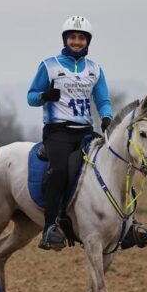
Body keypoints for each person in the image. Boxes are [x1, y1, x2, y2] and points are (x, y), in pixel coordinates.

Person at [27, 15, 113, 250]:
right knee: (60, 171)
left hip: (85, 131)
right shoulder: (49, 65)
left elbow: (103, 100)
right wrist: (44, 96)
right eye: (73, 37)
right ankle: (50, 228)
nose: (76, 42)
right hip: (58, 132)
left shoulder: (95, 69)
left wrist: (107, 116)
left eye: (81, 38)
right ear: (65, 39)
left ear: (87, 41)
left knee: (111, 166)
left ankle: (124, 224)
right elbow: (31, 97)